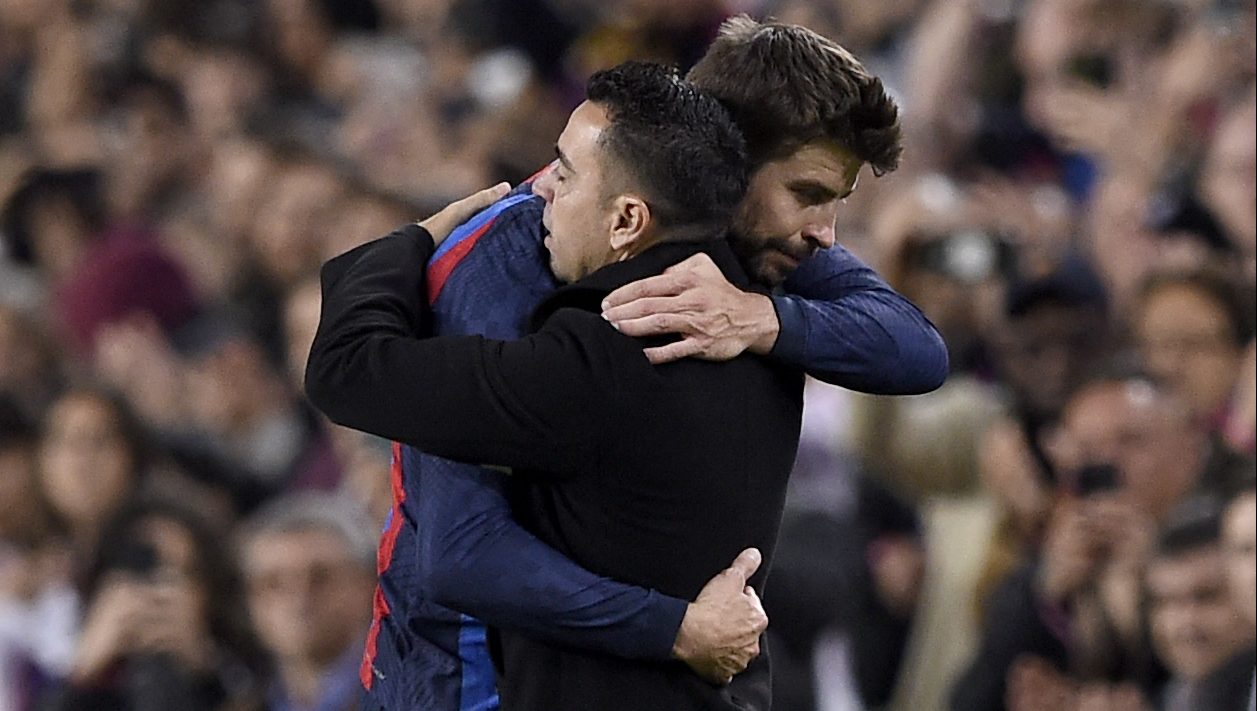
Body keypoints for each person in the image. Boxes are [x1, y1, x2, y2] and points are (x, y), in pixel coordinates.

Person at [321, 16, 944, 711]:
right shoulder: (511, 263)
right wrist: (678, 628)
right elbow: (461, 551)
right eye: (807, 193)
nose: (824, 233)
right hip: (453, 681)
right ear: (725, 157)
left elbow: (916, 347)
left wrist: (764, 320)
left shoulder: (752, 265)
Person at [308, 59, 790, 710]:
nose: (540, 192)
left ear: (626, 221)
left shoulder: (588, 363)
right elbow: (911, 348)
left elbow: (347, 370)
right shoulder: (776, 325)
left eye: (563, 172)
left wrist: (416, 239)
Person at [238, 492, 378, 711]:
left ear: (365, 584)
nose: (298, 598)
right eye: (274, 583)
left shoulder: (409, 695)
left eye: (320, 577)